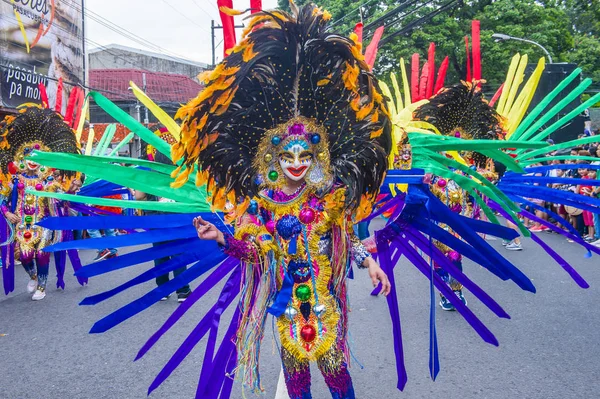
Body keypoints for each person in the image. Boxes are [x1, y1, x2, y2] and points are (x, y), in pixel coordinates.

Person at [0, 107, 80, 300]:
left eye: (37, 156)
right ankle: (33, 275)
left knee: (42, 254)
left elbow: (62, 198)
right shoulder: (16, 180)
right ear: (22, 158)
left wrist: (71, 191)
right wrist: (7, 213)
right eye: (29, 156)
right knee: (26, 257)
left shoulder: (49, 182)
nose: (33, 161)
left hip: (44, 224)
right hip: (22, 224)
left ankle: (42, 287)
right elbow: (3, 200)